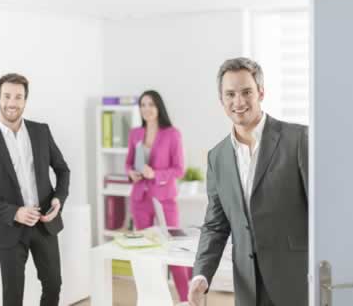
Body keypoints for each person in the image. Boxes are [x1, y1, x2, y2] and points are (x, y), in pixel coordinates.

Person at [188, 58, 308, 306]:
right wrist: (202, 274)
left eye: (246, 92)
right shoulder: (216, 157)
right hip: (247, 285)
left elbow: (322, 212)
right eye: (230, 94)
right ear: (221, 100)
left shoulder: (298, 139)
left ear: (261, 92)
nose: (238, 102)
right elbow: (215, 225)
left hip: (295, 281)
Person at [0, 73, 70, 306]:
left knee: (54, 284)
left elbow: (62, 170)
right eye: (7, 96)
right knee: (13, 296)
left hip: (45, 223)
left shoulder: (41, 131)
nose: (11, 102)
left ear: (25, 100)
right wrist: (14, 212)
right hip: (9, 228)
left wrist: (58, 200)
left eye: (18, 97)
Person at [125, 90, 191, 302]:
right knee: (144, 251)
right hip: (140, 198)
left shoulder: (172, 133)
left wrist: (156, 174)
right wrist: (131, 173)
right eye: (143, 105)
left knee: (174, 250)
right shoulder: (135, 133)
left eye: (151, 104)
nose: (146, 109)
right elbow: (128, 163)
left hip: (164, 199)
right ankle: (151, 298)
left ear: (158, 107)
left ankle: (185, 299)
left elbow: (179, 169)